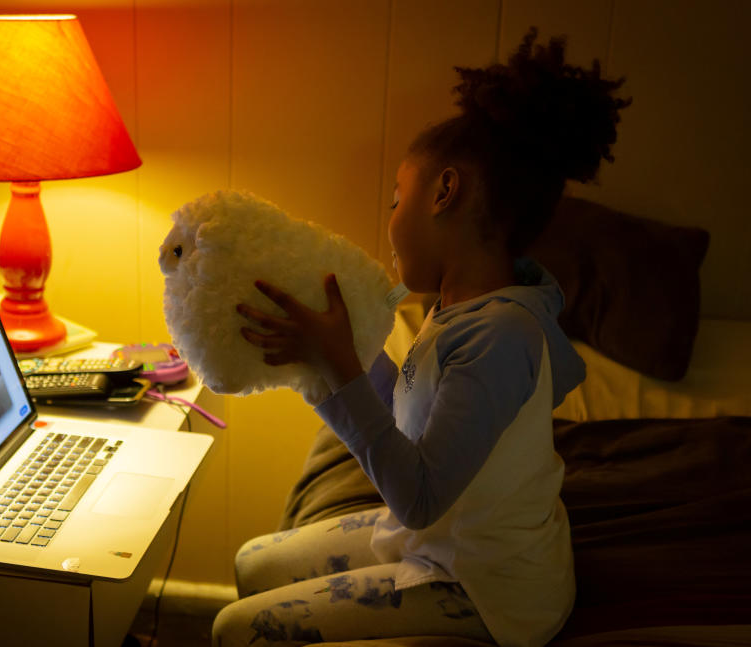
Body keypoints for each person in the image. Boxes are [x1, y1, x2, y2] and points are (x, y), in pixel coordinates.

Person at [220, 29, 630, 647]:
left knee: (236, 630)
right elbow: (407, 412)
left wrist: (345, 370)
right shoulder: (458, 307)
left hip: (487, 586)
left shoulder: (503, 334)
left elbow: (419, 497)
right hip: (433, 537)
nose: (388, 221)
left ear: (445, 191)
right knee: (253, 562)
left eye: (394, 198)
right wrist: (329, 358)